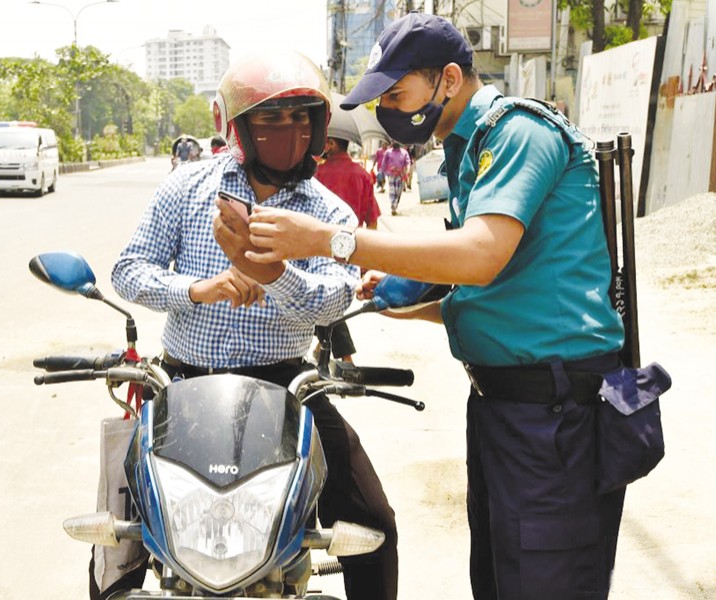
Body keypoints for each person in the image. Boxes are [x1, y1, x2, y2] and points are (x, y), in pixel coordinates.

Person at [244, 13, 629, 600]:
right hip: (505, 408)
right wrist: (420, 307)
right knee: (501, 581)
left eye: (398, 94)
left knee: (545, 581)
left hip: (554, 415)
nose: (389, 112)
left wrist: (329, 242)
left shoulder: (517, 133)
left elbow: (480, 256)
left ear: (449, 78)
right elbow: (501, 289)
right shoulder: (465, 148)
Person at [103, 50, 398, 600]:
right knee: (124, 525)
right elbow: (128, 269)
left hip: (287, 387)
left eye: (298, 119)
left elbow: (332, 299)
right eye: (269, 119)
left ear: (316, 127)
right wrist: (198, 289)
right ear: (239, 127)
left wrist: (275, 275)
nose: (286, 132)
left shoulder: (326, 211)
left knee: (373, 521)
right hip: (183, 386)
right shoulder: (187, 187)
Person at [314, 134, 382, 361]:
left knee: (323, 304)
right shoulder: (362, 175)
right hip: (352, 251)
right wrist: (367, 258)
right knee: (330, 303)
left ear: (331, 144)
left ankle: (346, 358)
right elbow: (372, 219)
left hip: (319, 250)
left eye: (324, 141)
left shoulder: (316, 175)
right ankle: (324, 350)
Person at [382, 141, 411, 215]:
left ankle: (395, 205)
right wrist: (383, 173)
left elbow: (408, 162)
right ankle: (393, 207)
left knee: (398, 192)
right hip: (391, 175)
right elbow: (384, 163)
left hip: (400, 176)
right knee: (392, 191)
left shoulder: (404, 153)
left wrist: (407, 171)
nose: (394, 142)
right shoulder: (388, 152)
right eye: (393, 141)